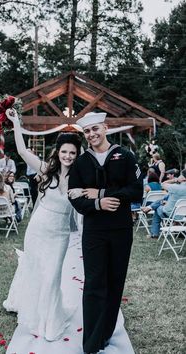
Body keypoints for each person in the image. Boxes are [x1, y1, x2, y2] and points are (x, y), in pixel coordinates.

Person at [3, 108, 82, 343]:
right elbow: (22, 150)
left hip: (59, 234)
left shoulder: (80, 177)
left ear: (78, 155)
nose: (68, 156)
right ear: (58, 152)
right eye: (64, 151)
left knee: (52, 277)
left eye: (72, 153)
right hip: (38, 229)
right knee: (36, 271)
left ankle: (52, 321)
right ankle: (34, 312)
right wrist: (16, 122)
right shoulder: (46, 171)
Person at [68, 111, 143, 354]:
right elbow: (76, 198)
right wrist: (96, 204)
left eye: (95, 129)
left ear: (105, 128)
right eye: (87, 131)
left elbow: (135, 190)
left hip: (121, 229)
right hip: (94, 231)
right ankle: (90, 343)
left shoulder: (126, 156)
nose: (91, 134)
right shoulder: (80, 162)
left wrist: (101, 194)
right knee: (94, 284)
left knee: (114, 282)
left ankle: (105, 334)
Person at [145, 169, 186, 238]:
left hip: (171, 213)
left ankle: (154, 234)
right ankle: (150, 207)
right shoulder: (177, 187)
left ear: (183, 178)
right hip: (183, 214)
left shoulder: (176, 187)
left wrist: (174, 180)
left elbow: (163, 184)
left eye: (180, 175)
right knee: (163, 202)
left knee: (158, 208)